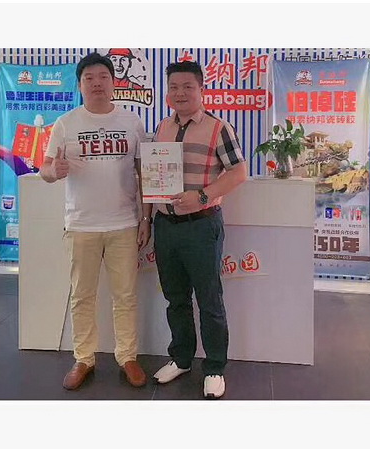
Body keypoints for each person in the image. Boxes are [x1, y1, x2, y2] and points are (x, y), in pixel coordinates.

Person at [40, 52, 152, 390]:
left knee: (126, 296)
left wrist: (146, 218)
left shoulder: (131, 121)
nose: (97, 83)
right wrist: (54, 171)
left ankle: (127, 356)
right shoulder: (65, 123)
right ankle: (84, 359)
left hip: (124, 223)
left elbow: (143, 173)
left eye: (103, 76)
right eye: (89, 78)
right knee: (82, 295)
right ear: (80, 85)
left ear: (114, 82)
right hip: (81, 225)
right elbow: (45, 169)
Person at [151, 61, 247, 399]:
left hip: (202, 226)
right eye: (173, 87)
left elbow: (239, 172)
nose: (180, 93)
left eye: (187, 86)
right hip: (165, 226)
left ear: (201, 89)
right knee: (175, 298)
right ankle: (181, 359)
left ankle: (215, 367)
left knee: (209, 300)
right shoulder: (161, 128)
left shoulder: (219, 128)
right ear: (167, 92)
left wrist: (202, 195)